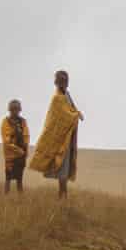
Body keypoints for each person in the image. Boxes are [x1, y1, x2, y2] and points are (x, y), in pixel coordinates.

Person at [29, 70, 84, 199]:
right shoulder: (57, 98)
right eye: (61, 80)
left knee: (65, 166)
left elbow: (72, 109)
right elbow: (64, 115)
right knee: (62, 167)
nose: (64, 82)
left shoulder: (67, 95)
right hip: (59, 138)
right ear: (57, 82)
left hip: (68, 136)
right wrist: (76, 115)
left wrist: (76, 113)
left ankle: (63, 196)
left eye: (66, 79)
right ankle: (62, 196)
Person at [1, 99, 30, 194]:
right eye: (13, 109)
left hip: (21, 154)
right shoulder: (5, 122)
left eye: (17, 109)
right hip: (11, 155)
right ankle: (5, 198)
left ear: (19, 109)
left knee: (20, 179)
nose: (15, 111)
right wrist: (18, 150)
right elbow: (6, 141)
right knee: (8, 179)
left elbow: (26, 136)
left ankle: (20, 200)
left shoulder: (23, 121)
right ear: (9, 109)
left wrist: (25, 148)